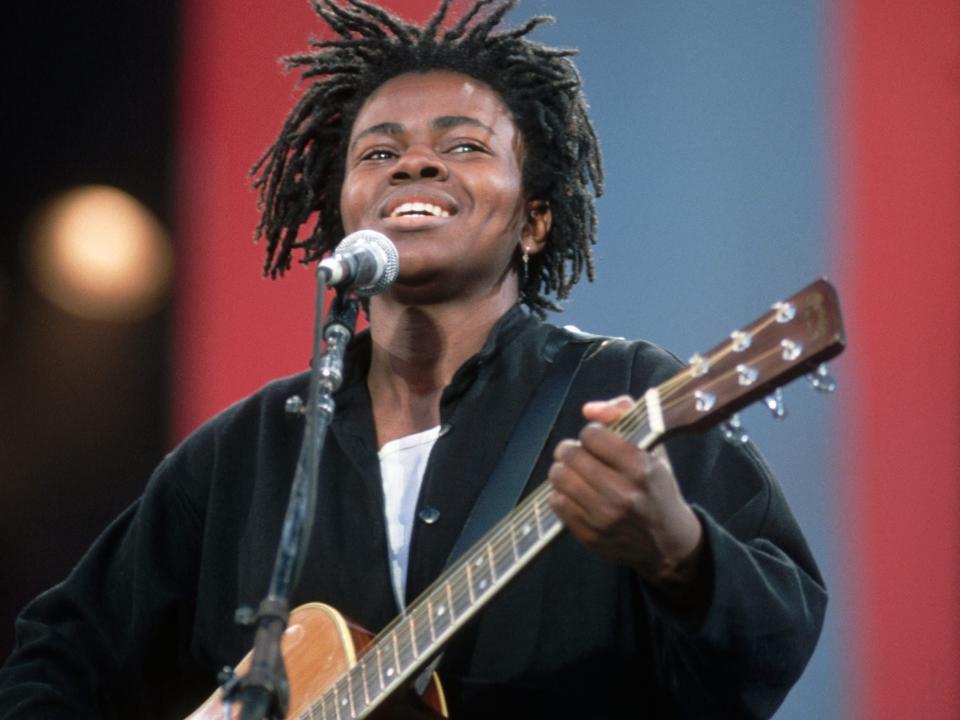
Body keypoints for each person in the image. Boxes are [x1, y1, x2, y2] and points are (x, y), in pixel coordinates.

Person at [0, 1, 826, 718]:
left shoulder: (623, 393)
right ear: (343, 214)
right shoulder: (243, 457)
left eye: (464, 146)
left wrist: (676, 549)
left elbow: (778, 633)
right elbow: (58, 657)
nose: (415, 162)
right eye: (377, 152)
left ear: (535, 222)